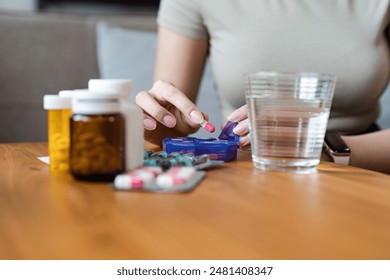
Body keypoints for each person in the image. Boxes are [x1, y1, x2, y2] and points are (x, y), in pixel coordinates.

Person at [135, 0, 390, 174]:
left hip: (363, 166)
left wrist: (320, 148)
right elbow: (166, 129)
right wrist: (156, 119)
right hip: (247, 173)